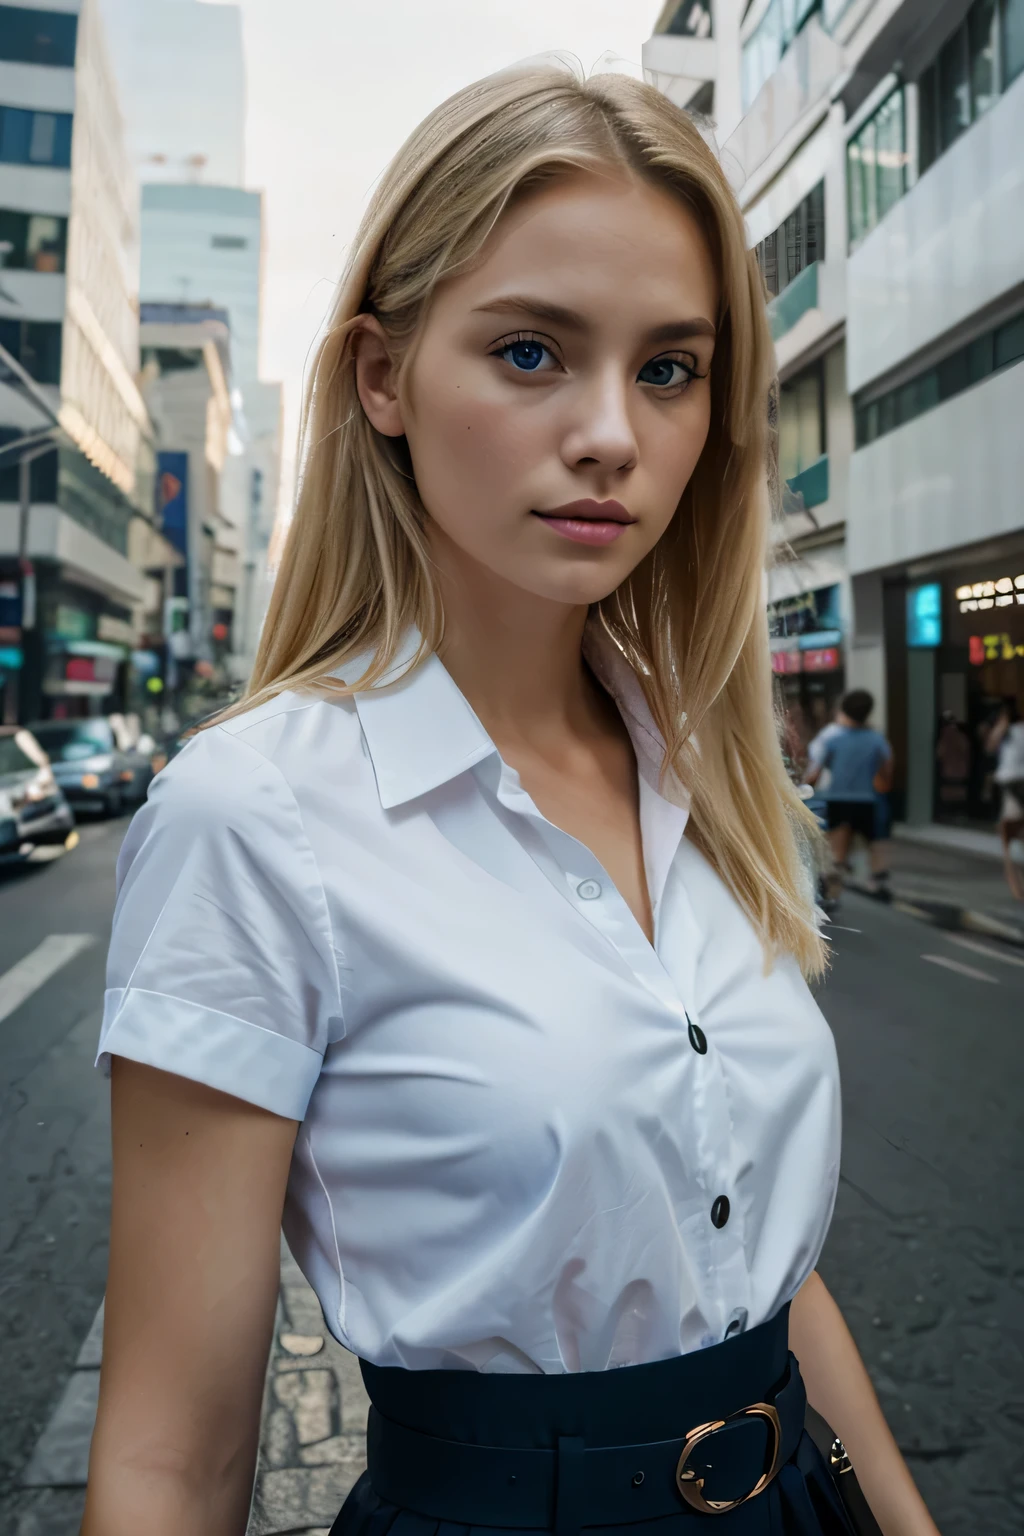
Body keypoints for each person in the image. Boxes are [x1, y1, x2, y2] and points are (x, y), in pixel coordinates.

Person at [82, 66, 940, 1536]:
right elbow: (171, 1456)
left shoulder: (708, 771)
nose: (612, 431)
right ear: (383, 378)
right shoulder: (259, 815)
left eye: (669, 368)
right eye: (533, 351)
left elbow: (768, 1278)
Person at [806, 690, 893, 903]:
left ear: (841, 709)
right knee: (874, 842)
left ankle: (831, 895)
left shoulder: (831, 735)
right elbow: (886, 771)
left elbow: (814, 772)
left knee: (837, 851)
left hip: (838, 799)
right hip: (867, 799)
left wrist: (805, 789)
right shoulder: (875, 738)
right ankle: (877, 880)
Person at [986, 701, 1024, 901]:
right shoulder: (1011, 732)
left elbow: (990, 746)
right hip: (1013, 787)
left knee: (1008, 837)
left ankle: (1018, 890)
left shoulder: (1014, 731)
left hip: (1015, 786)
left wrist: (1001, 726)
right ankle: (1017, 887)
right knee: (1011, 835)